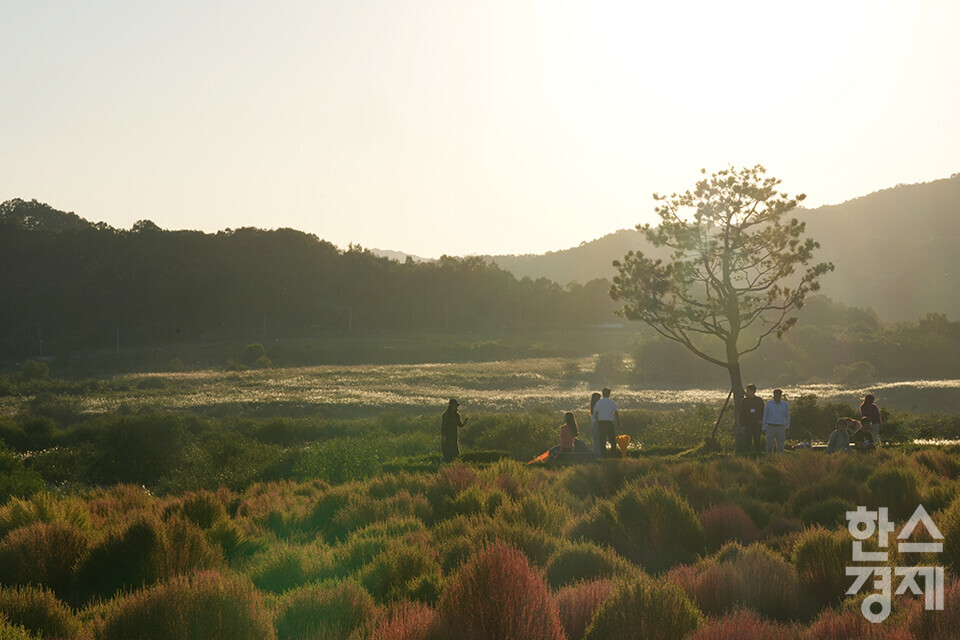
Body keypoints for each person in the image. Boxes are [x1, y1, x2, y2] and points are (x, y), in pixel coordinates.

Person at [592, 387, 622, 457]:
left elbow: (596, 414)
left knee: (602, 440)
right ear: (609, 394)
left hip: (601, 423)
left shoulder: (599, 403)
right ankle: (613, 454)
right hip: (609, 423)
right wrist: (620, 424)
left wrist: (597, 422)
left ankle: (603, 455)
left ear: (603, 394)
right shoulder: (612, 403)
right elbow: (616, 414)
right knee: (612, 440)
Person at [762, 389, 790, 454]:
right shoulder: (769, 404)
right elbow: (765, 415)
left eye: (778, 395)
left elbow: (787, 416)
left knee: (780, 445)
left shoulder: (785, 405)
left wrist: (787, 427)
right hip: (771, 426)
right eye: (775, 395)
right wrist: (764, 427)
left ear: (780, 396)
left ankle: (779, 459)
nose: (777, 397)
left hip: (781, 426)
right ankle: (769, 458)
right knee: (769, 445)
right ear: (773, 395)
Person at [739, 384, 765, 453]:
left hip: (757, 423)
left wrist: (761, 420)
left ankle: (757, 454)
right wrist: (742, 425)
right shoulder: (744, 401)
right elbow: (741, 414)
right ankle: (748, 455)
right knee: (748, 440)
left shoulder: (759, 400)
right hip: (748, 424)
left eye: (748, 391)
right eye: (747, 390)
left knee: (757, 440)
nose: (747, 392)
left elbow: (763, 411)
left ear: (753, 391)